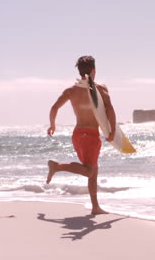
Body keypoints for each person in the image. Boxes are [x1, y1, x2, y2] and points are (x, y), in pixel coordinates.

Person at [46, 55, 116, 215]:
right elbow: (109, 109)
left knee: (93, 170)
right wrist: (111, 131)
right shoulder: (101, 89)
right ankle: (56, 166)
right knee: (90, 171)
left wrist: (52, 125)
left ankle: (95, 207)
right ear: (94, 70)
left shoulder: (71, 91)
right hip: (90, 136)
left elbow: (54, 107)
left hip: (78, 135)